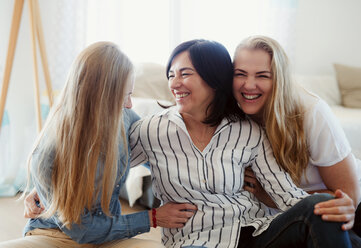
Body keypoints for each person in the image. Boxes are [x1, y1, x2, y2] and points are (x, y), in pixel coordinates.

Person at [129, 39, 352, 248]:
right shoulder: (151, 130)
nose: (174, 83)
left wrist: (328, 205)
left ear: (214, 79)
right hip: (195, 239)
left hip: (253, 231)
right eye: (170, 75)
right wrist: (150, 217)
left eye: (184, 74)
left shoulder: (249, 130)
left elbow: (288, 196)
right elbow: (106, 174)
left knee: (321, 206)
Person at [0, 41, 197, 248]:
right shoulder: (46, 154)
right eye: (125, 96)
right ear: (100, 100)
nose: (130, 104)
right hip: (53, 237)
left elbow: (158, 155)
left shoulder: (125, 118)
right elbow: (85, 231)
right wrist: (153, 218)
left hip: (109, 238)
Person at [232, 35, 361, 245]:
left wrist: (271, 196)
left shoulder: (310, 111)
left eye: (263, 75)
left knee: (325, 211)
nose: (249, 85)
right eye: (240, 74)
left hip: (345, 203)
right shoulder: (232, 119)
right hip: (292, 212)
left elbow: (347, 197)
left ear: (279, 79)